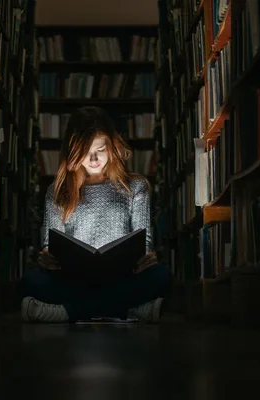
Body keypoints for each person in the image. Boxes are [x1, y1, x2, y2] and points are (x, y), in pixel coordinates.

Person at [20, 107, 171, 323]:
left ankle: (67, 312)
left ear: (112, 146)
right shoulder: (58, 190)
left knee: (161, 276)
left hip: (122, 278)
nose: (93, 159)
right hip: (73, 280)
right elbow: (51, 242)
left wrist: (147, 257)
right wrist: (47, 256)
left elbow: (143, 241)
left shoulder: (135, 187)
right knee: (31, 281)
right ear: (72, 150)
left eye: (100, 149)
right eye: (85, 151)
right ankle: (130, 311)